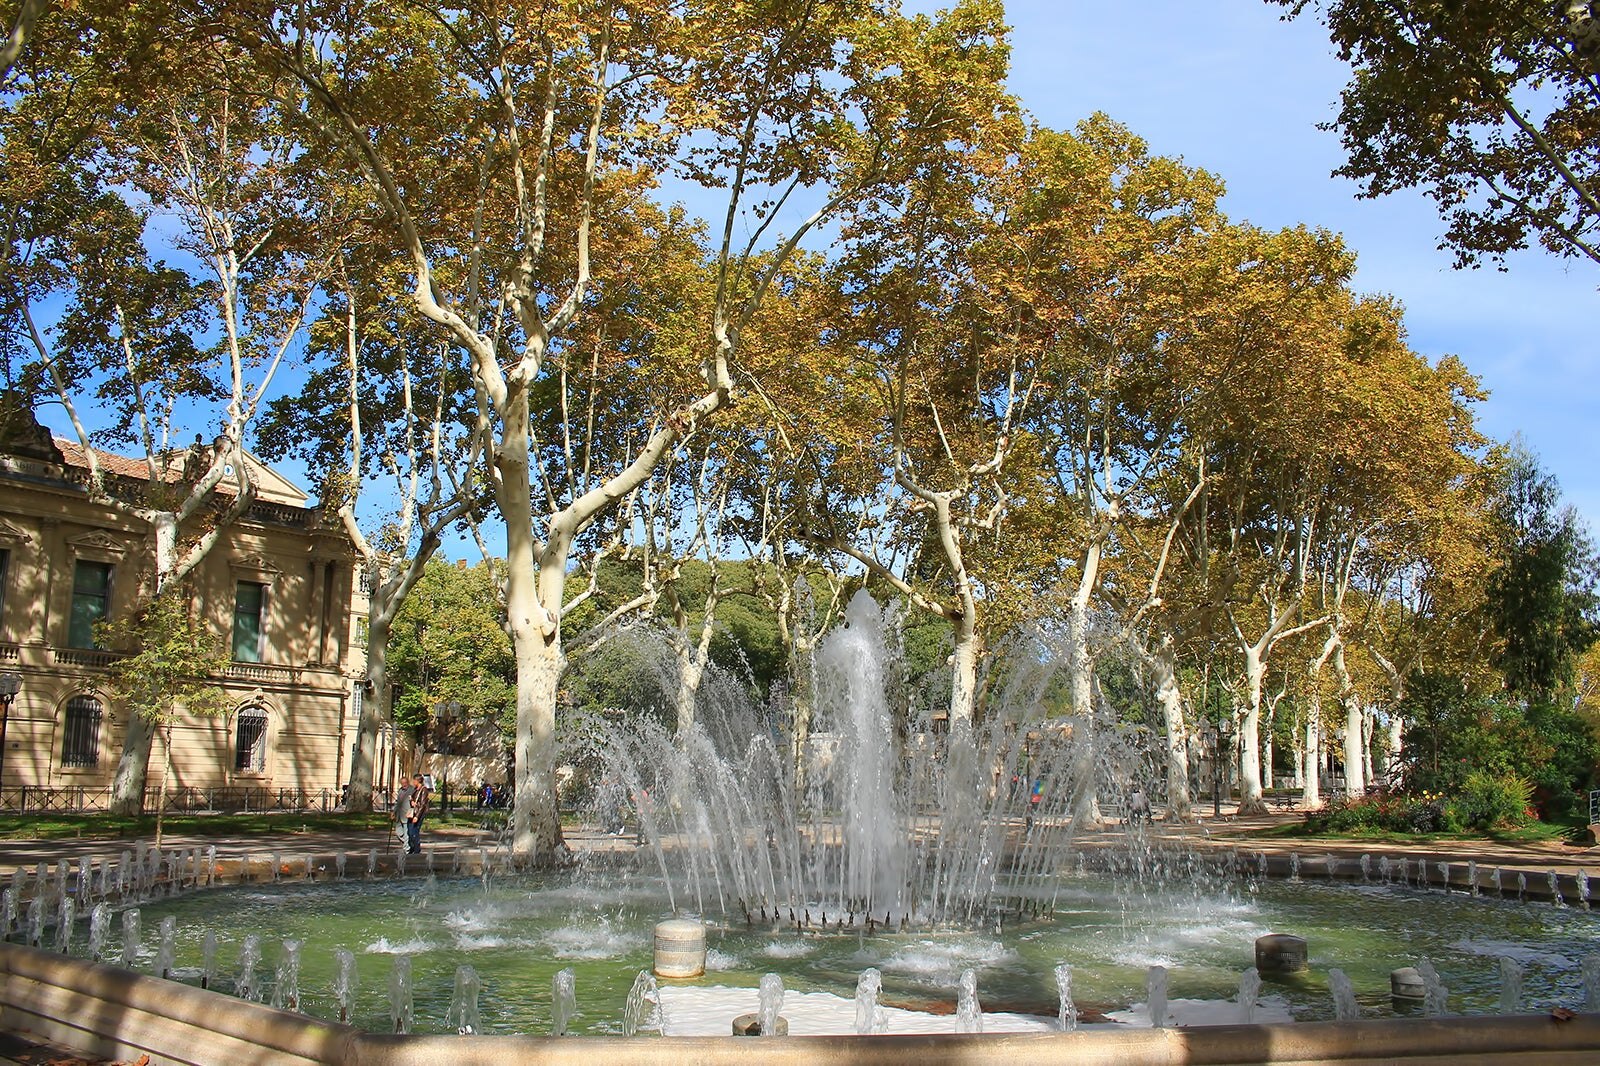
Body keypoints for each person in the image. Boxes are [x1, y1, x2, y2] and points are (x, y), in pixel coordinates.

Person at [404, 773, 430, 854]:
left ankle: (416, 849)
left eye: (414, 780)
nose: (413, 782)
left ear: (417, 781)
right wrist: (411, 801)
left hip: (418, 814)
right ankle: (412, 848)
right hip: (412, 813)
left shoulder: (423, 790)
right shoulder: (415, 789)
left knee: (414, 832)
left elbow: (422, 805)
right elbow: (413, 800)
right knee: (409, 832)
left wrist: (417, 817)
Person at [393, 777, 415, 849]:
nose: (404, 785)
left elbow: (415, 802)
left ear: (408, 782)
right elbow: (397, 802)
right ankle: (410, 843)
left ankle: (406, 849)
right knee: (398, 832)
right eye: (402, 783)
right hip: (399, 815)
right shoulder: (400, 790)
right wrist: (393, 812)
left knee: (406, 833)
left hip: (407, 815)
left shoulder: (412, 790)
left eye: (405, 783)